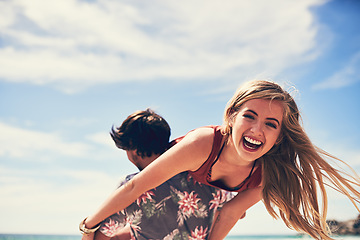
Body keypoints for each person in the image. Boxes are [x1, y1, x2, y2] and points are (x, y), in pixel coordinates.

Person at [81, 80, 360, 240]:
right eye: (249, 116)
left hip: (198, 216)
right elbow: (135, 187)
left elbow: (228, 214)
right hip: (161, 191)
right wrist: (87, 227)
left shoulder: (267, 173)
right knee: (121, 204)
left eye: (271, 124)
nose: (256, 130)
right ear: (231, 116)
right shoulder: (203, 143)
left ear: (280, 136)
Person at [88, 109, 233, 240]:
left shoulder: (129, 188)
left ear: (132, 147)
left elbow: (103, 234)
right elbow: (233, 210)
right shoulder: (199, 175)